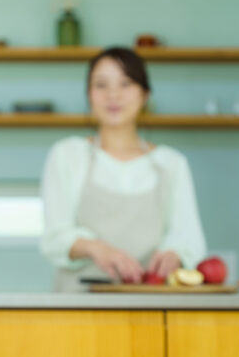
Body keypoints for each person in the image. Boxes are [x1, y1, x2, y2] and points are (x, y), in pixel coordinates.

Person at [40, 47, 206, 292]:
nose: (113, 95)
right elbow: (54, 238)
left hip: (151, 307)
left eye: (125, 83)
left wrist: (175, 254)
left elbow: (188, 238)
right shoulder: (67, 155)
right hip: (77, 305)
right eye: (101, 85)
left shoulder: (171, 164)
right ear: (89, 95)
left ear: (145, 94)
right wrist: (96, 248)